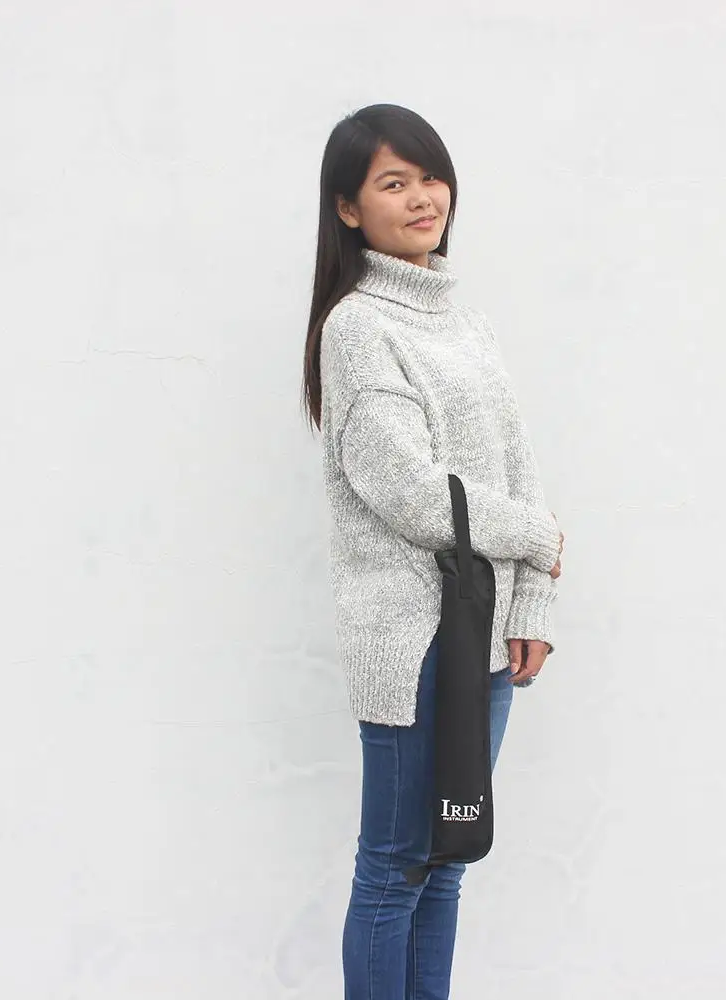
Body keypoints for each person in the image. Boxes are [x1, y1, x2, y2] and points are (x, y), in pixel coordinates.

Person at [300, 103, 565, 1000]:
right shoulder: (356, 328)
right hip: (410, 643)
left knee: (448, 859)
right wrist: (541, 538)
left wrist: (533, 603)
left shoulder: (467, 324)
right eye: (393, 183)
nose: (422, 197)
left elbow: (519, 468)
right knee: (396, 866)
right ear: (348, 209)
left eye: (429, 177)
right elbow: (413, 494)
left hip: (483, 639)